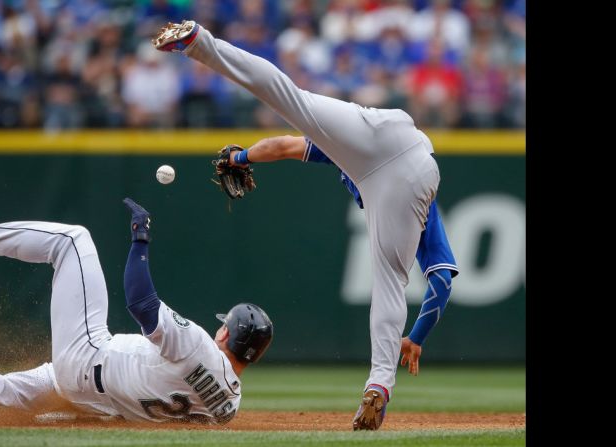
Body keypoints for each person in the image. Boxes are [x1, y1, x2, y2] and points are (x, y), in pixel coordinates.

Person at [153, 20, 458, 430]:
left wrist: (241, 159)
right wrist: (416, 336)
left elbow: (281, 145)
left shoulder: (347, 152)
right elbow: (440, 282)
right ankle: (379, 387)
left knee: (289, 99)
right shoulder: (417, 202)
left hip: (383, 136)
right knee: (390, 281)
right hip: (410, 161)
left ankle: (198, 42)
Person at [0, 174, 273, 424]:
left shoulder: (198, 346)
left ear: (227, 334)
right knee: (39, 384)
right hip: (98, 402)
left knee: (73, 241)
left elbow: (142, 304)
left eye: (223, 325)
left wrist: (140, 242)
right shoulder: (228, 406)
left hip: (90, 360)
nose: (218, 329)